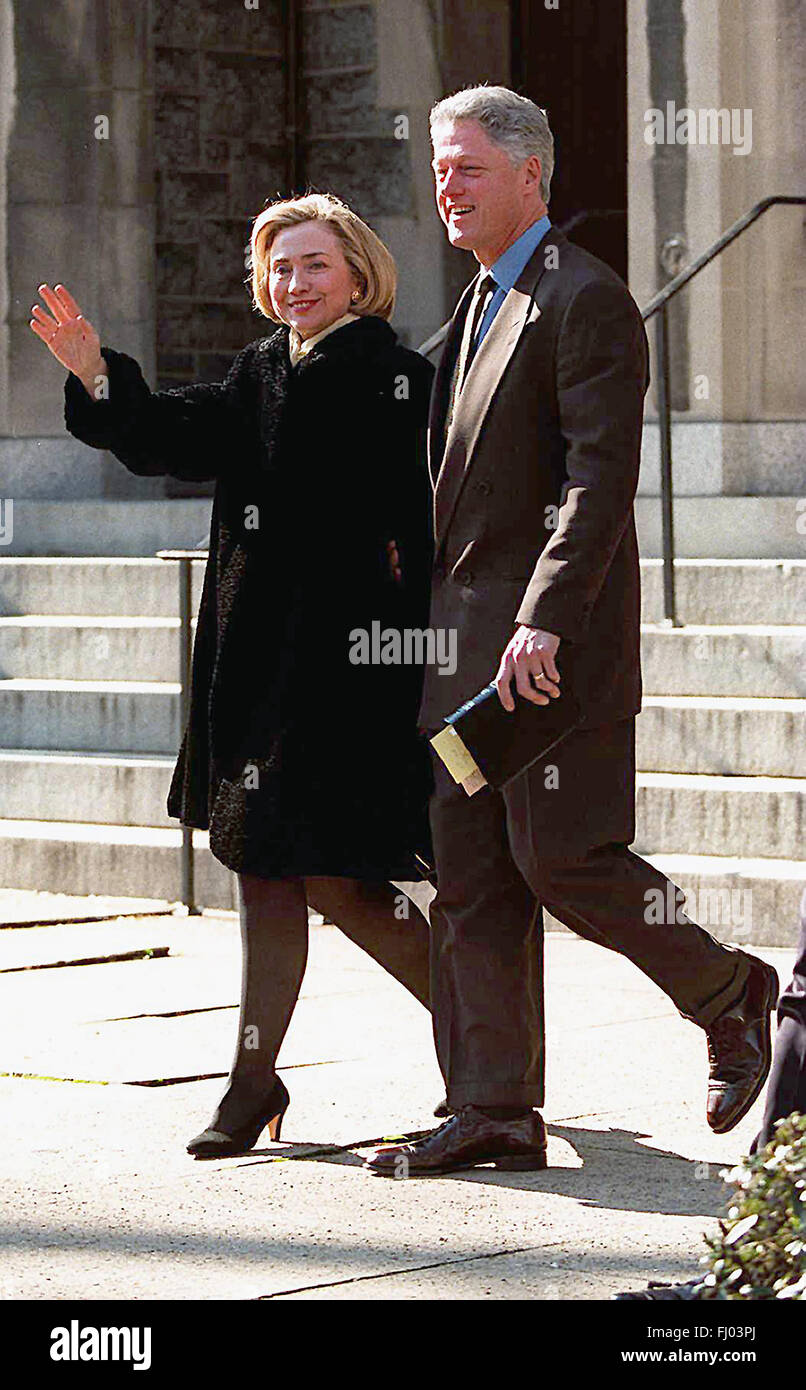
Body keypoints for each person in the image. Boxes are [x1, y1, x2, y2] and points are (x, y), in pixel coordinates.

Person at [365, 86, 778, 1178]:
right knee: (470, 880)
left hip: (553, 656)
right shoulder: (471, 311)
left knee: (563, 858)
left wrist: (542, 619)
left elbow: (596, 484)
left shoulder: (582, 300)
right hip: (455, 656)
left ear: (529, 175)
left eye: (465, 169)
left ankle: (727, 986)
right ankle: (492, 1106)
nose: (443, 188)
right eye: (440, 169)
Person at [31, 193, 436, 1157]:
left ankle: (487, 1038)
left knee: (336, 874)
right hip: (254, 664)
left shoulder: (397, 377)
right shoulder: (258, 369)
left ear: (359, 272)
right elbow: (174, 436)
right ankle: (254, 1085)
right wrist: (96, 374)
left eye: (315, 265)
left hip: (346, 669)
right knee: (264, 869)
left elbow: (416, 529)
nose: (296, 283)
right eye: (281, 268)